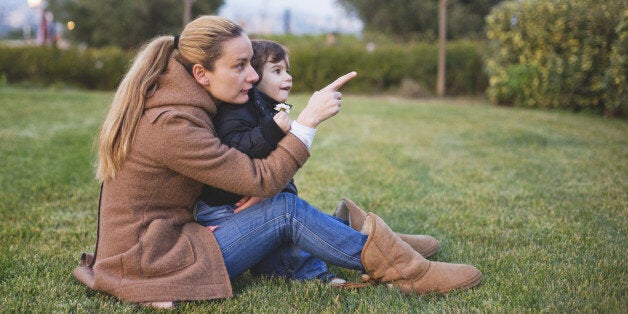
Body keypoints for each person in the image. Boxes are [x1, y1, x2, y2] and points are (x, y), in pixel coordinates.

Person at [72, 15, 482, 309]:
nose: (252, 76)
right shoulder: (173, 124)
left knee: (274, 205)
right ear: (200, 73)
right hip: (155, 262)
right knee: (282, 208)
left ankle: (365, 238)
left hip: (169, 241)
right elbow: (260, 178)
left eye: (251, 63)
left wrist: (252, 194)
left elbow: (240, 170)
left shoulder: (183, 103)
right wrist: (306, 123)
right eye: (239, 66)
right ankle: (403, 267)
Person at [196, 39, 341, 285]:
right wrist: (272, 131)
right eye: (277, 71)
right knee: (285, 228)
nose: (288, 77)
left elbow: (280, 170)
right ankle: (312, 273)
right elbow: (233, 153)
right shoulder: (236, 111)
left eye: (287, 70)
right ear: (253, 76)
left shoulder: (266, 110)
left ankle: (353, 233)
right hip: (224, 207)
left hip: (243, 198)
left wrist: (269, 190)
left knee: (292, 214)